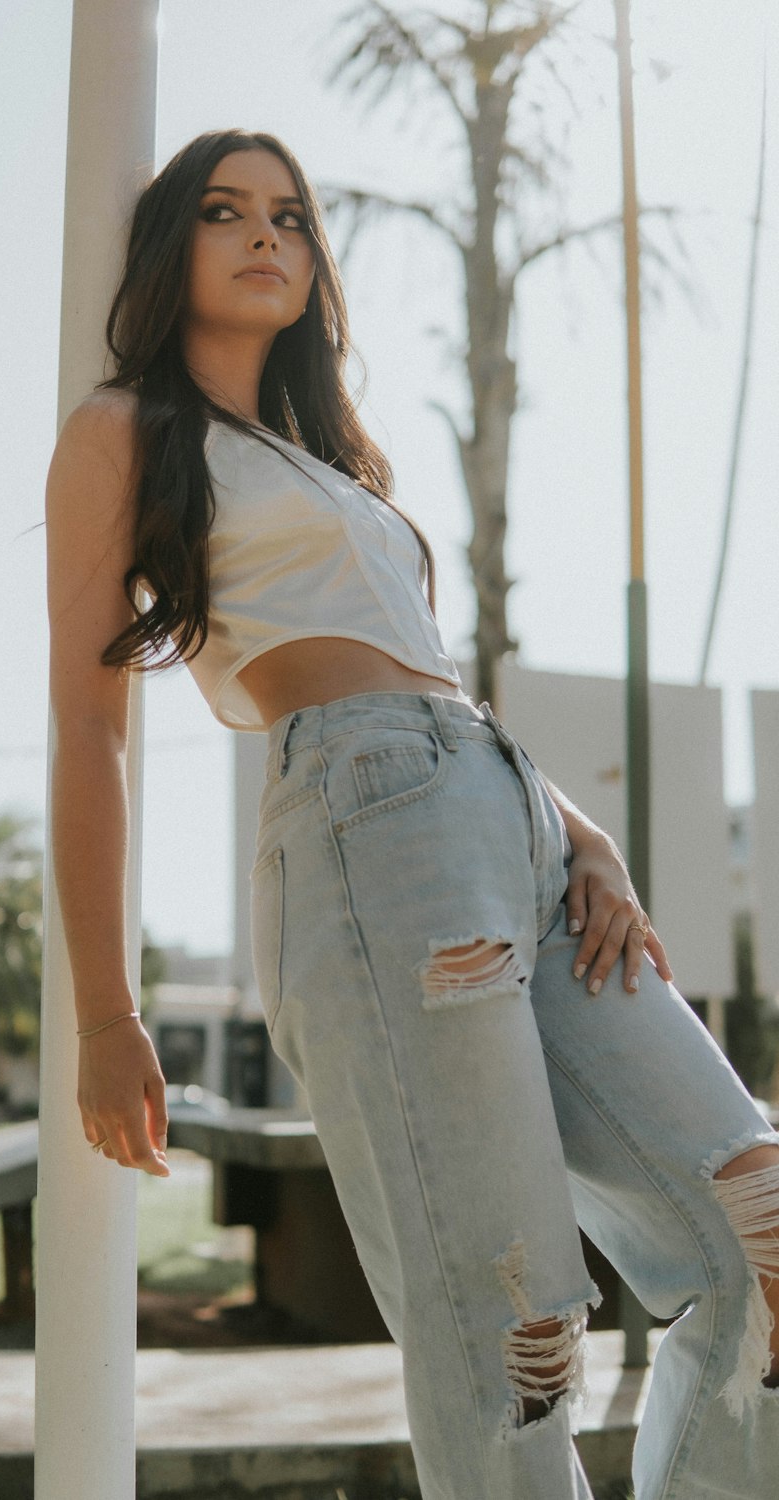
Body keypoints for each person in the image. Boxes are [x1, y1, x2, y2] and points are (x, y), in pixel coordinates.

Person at [44, 129, 779, 1500]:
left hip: (505, 809)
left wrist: (589, 838)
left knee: (759, 1225)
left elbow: (430, 680)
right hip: (369, 832)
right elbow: (90, 725)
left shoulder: (334, 462)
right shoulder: (126, 434)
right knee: (513, 1333)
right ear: (170, 248)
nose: (267, 235)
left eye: (290, 217)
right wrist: (105, 1009)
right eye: (224, 211)